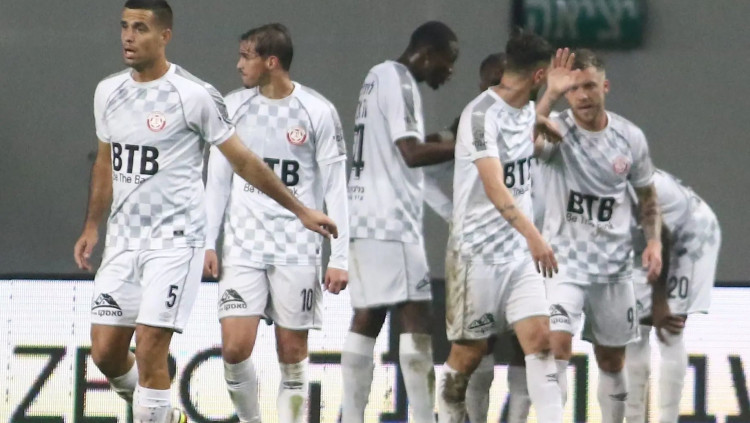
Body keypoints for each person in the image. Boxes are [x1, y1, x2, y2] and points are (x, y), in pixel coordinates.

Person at [73, 2, 336, 422]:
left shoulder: (194, 95)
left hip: (175, 244)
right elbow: (106, 161)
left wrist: (300, 210)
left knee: (152, 346)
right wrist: (91, 226)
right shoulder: (108, 91)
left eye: (139, 28)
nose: (128, 36)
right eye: (124, 26)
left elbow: (243, 161)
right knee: (105, 353)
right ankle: (167, 417)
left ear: (164, 36)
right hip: (123, 242)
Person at [202, 23, 349, 423]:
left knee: (292, 354)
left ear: (271, 62)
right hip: (243, 246)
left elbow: (336, 188)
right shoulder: (232, 108)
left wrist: (340, 257)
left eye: (246, 56)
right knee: (234, 349)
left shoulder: (317, 111)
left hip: (296, 249)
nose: (238, 65)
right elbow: (218, 181)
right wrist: (208, 241)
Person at [437, 30, 568, 423]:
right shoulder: (479, 117)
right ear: (539, 75)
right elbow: (495, 186)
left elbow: (522, 138)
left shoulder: (524, 109)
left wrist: (547, 105)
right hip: (477, 256)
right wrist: (535, 236)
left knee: (541, 341)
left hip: (517, 257)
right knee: (469, 355)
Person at [534, 49, 663, 423]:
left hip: (612, 267)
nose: (582, 96)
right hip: (563, 263)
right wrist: (549, 95)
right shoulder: (556, 128)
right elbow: (523, 143)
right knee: (556, 345)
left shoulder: (629, 137)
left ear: (605, 87)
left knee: (611, 359)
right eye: (573, 89)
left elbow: (647, 194)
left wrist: (653, 240)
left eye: (589, 86)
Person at [341, 21, 458, 423]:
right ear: (428, 53)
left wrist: (445, 137)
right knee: (417, 318)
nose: (450, 70)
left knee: (369, 316)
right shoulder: (401, 81)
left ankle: (351, 417)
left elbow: (395, 152)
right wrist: (469, 144)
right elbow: (410, 153)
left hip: (365, 216)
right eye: (448, 60)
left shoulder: (376, 76)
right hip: (391, 222)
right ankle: (424, 417)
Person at [625, 169, 721, 423]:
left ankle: (668, 418)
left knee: (669, 328)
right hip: (647, 236)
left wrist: (660, 303)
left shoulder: (627, 182)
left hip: (690, 233)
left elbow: (662, 236)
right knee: (633, 328)